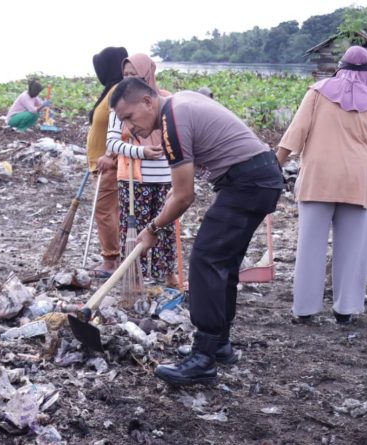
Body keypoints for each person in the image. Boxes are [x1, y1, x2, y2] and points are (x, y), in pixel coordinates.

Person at [110, 77, 283, 386]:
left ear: (148, 102)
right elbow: (179, 190)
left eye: (129, 117)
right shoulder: (180, 103)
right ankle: (219, 345)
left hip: (248, 181)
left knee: (205, 260)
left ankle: (202, 359)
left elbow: (183, 195)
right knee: (223, 263)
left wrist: (152, 228)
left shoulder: (172, 121)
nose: (129, 127)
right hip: (260, 176)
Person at [276, 46, 367, 325]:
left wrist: (274, 165)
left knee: (310, 245)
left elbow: (296, 133)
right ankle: (344, 310)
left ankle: (304, 310)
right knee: (352, 248)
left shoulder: (317, 92)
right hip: (357, 180)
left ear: (340, 67)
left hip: (318, 178)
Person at [105, 53, 176, 286]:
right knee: (135, 229)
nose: (128, 80)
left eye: (133, 75)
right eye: (125, 75)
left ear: (147, 74)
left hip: (166, 176)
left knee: (165, 227)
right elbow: (112, 143)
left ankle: (167, 275)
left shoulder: (165, 100)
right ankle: (134, 277)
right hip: (135, 178)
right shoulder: (120, 103)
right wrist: (141, 152)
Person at [86, 46, 128, 278]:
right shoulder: (110, 89)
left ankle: (111, 260)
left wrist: (111, 156)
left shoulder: (118, 91)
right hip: (100, 164)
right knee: (109, 211)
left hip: (109, 165)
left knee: (104, 211)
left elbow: (127, 126)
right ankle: (113, 256)